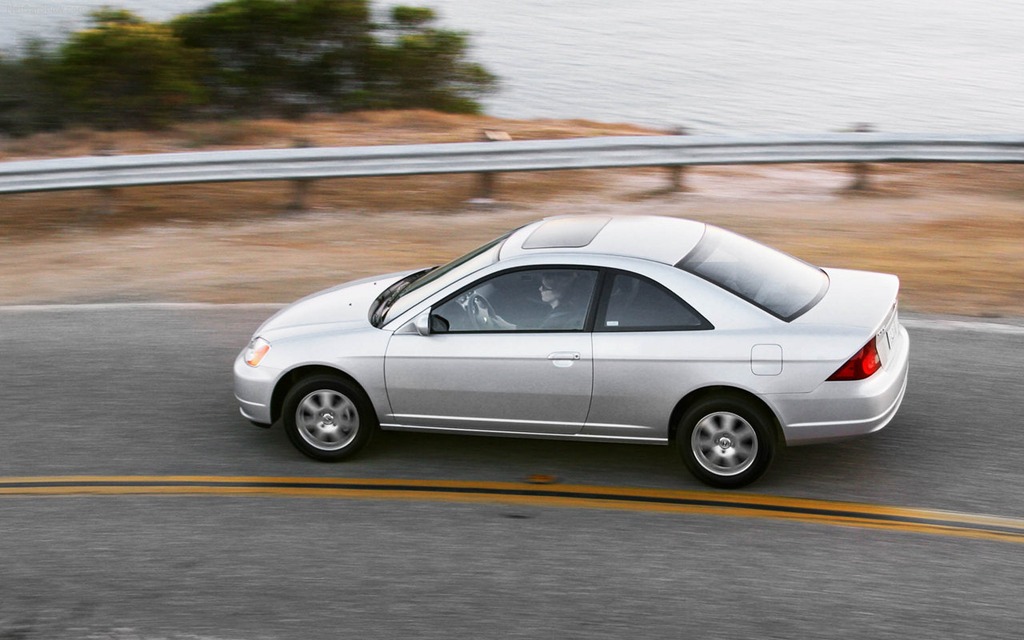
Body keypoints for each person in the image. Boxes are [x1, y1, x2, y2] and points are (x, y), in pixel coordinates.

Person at [474, 271, 586, 330]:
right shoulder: (564, 312)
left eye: (544, 286)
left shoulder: (558, 317)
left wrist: (502, 326)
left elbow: (538, 338)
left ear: (559, 290)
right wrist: (507, 326)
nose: (540, 289)